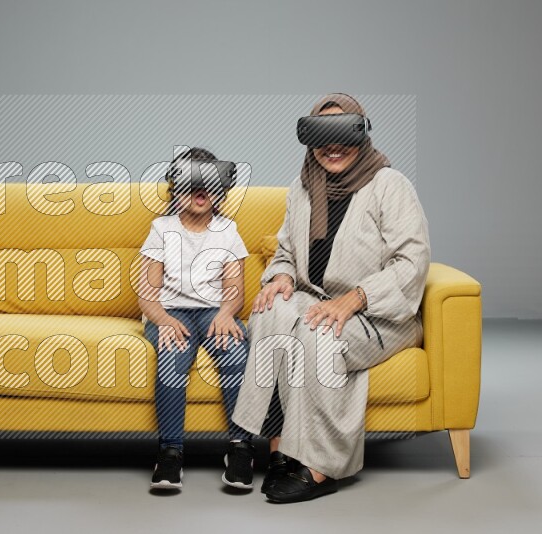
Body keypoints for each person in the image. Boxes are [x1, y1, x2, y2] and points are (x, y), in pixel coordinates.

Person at [231, 93, 431, 503]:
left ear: (361, 133)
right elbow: (286, 251)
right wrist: (282, 276)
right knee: (270, 312)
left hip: (378, 314)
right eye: (323, 134)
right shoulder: (302, 187)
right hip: (318, 299)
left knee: (316, 335)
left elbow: (412, 263)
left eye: (343, 133)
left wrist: (354, 299)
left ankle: (322, 466)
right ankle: (281, 448)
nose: (333, 146)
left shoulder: (390, 185)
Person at [138, 147, 255, 490]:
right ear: (177, 187)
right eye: (192, 182)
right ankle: (170, 452)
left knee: (235, 350)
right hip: (170, 310)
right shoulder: (161, 228)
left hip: (213, 311)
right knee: (172, 357)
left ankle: (240, 448)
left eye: (209, 183)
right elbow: (147, 292)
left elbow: (235, 288)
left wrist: (225, 313)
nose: (201, 192)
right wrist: (161, 320)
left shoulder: (228, 230)